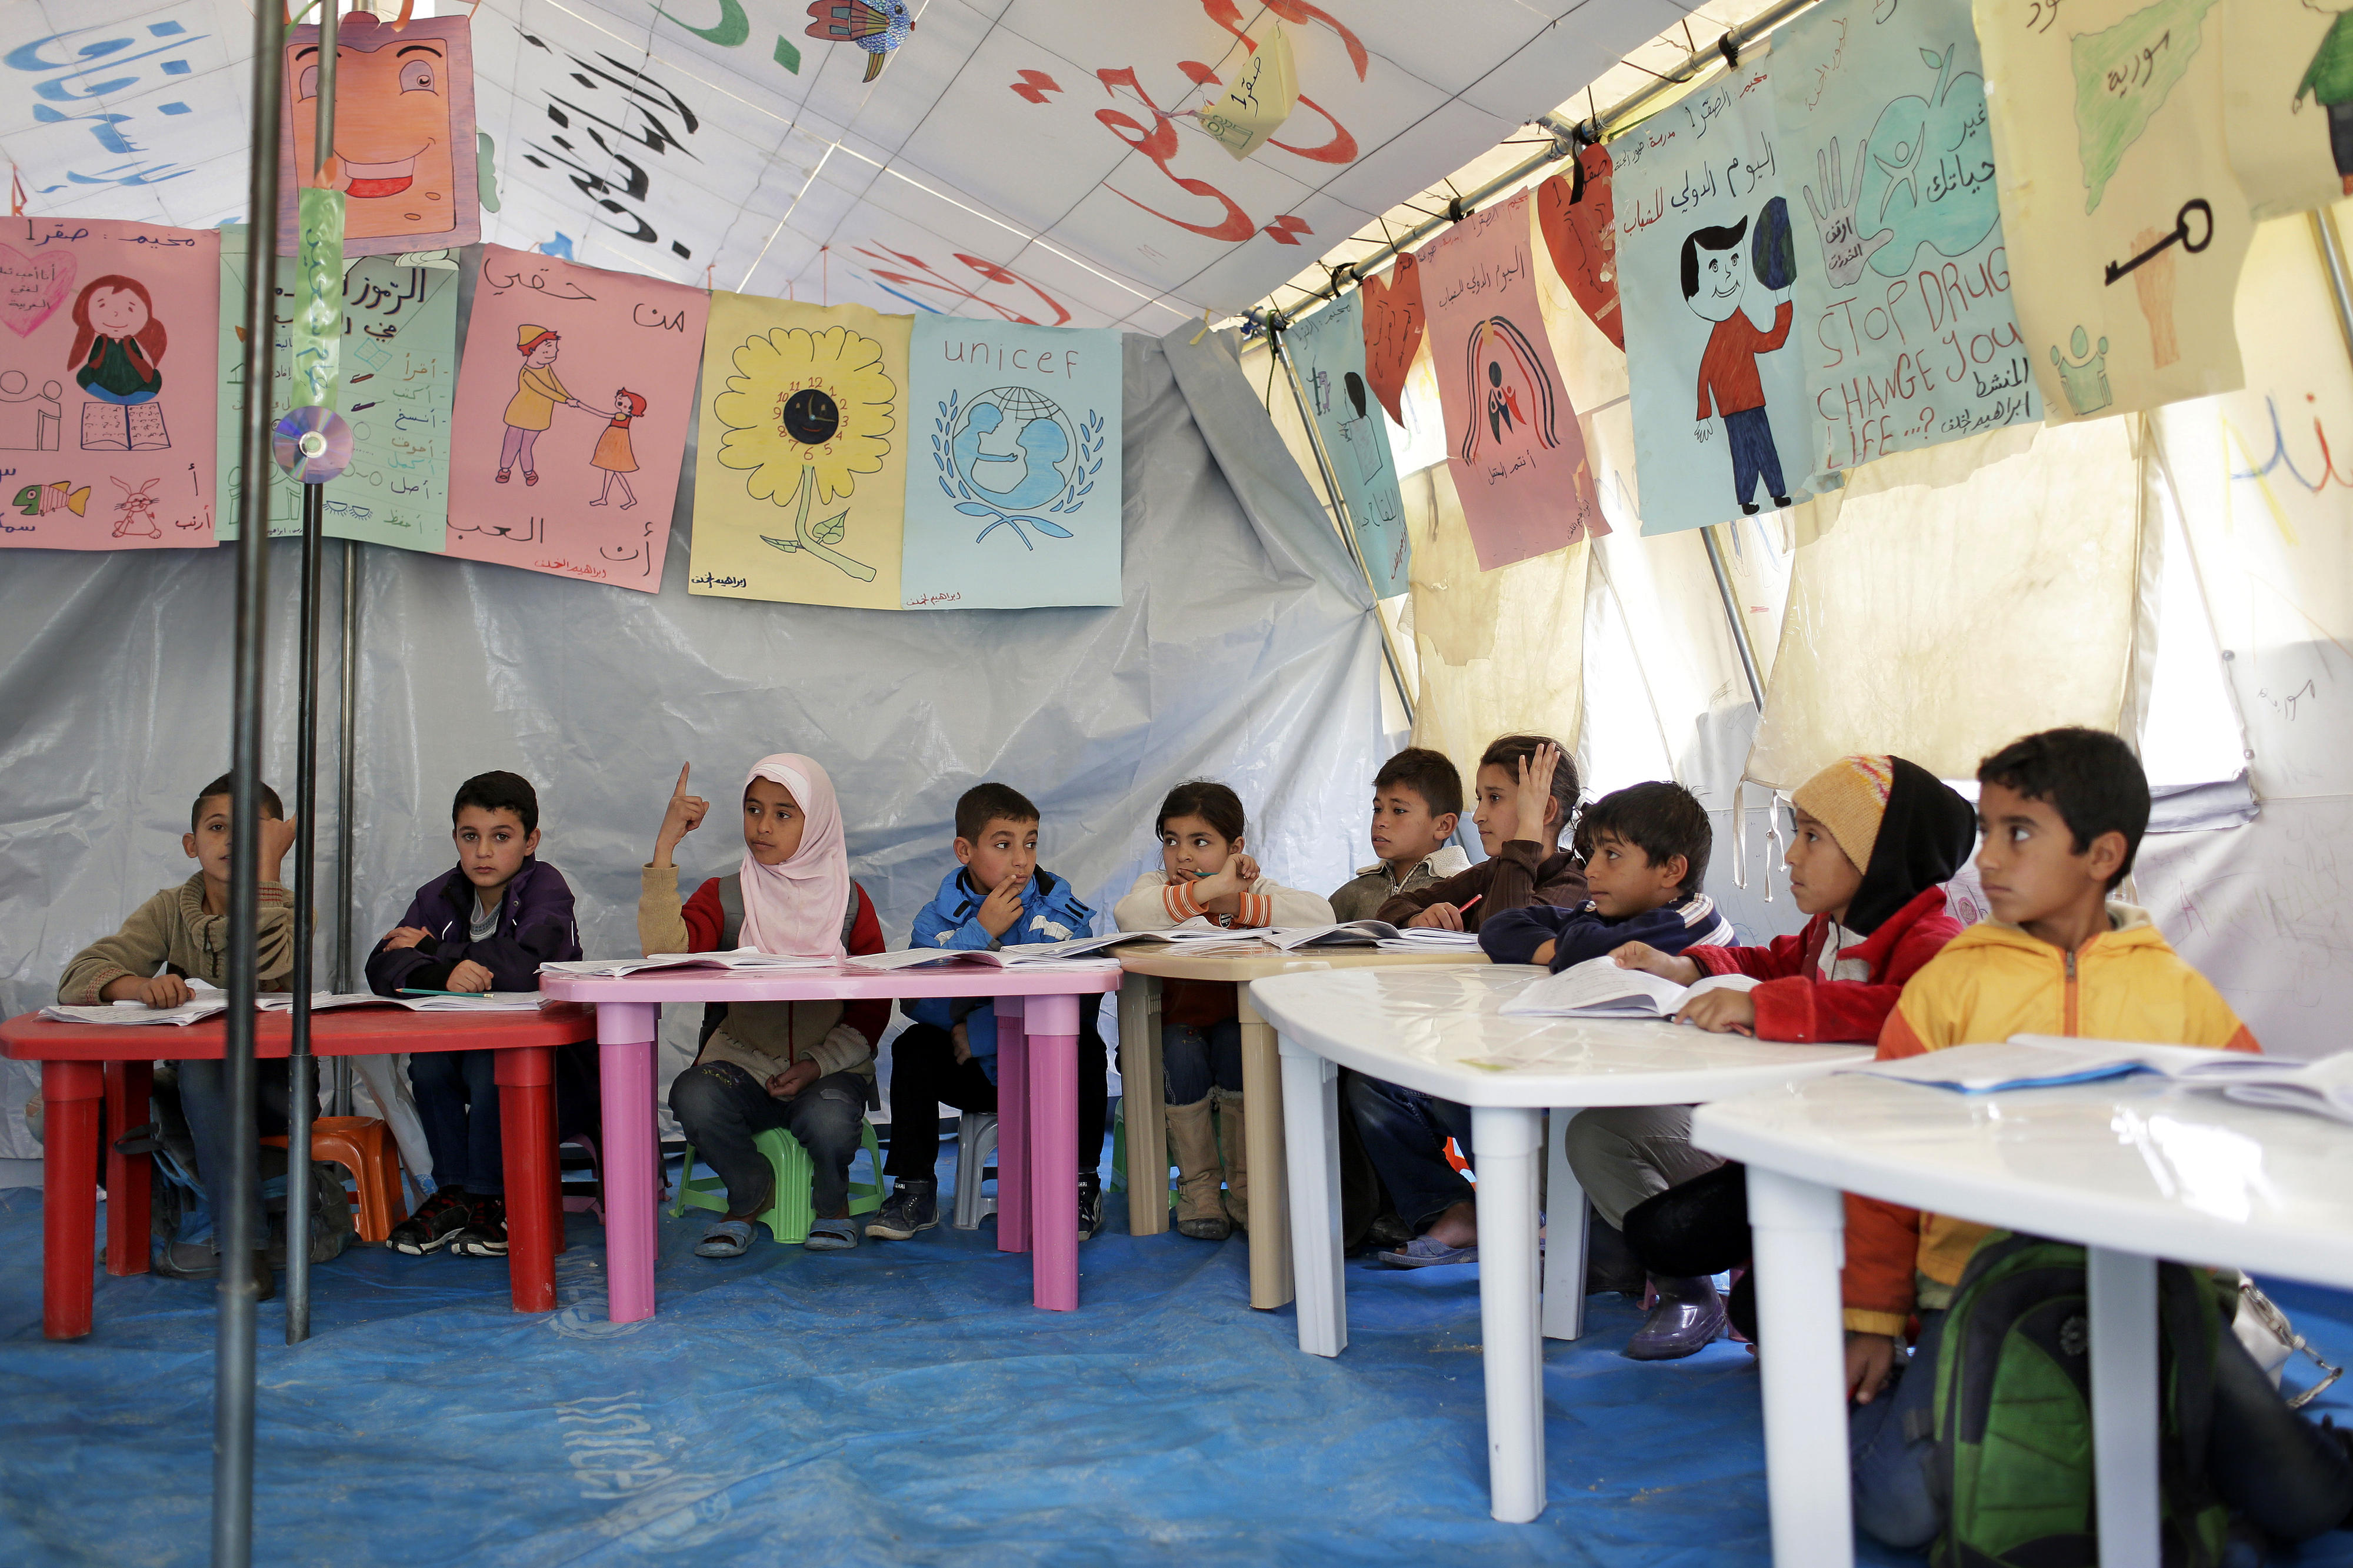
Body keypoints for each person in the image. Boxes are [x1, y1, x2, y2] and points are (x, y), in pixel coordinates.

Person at [1838, 728, 2353, 1552]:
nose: (1989, 859)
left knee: (2310, 1500)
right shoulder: (1951, 986)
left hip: (2158, 1289)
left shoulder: (2177, 992)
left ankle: (2194, 1436)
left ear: (2102, 854)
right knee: (1896, 1513)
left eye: (2019, 832)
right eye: (1986, 828)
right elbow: (1877, 1159)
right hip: (1974, 1285)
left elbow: (2255, 1129)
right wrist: (1870, 1312)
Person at [1591, 755, 1976, 1359]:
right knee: (1660, 1234)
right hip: (1799, 1154)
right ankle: (1760, 1280)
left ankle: (1878, 1333)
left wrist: (1769, 1007)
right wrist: (1684, 965)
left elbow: (1905, 1007)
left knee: (1760, 1307)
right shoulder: (1829, 930)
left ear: (1877, 854)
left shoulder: (1934, 945)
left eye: (1813, 836)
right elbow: (1768, 959)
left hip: (1876, 1189)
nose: (1791, 855)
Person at [1362, 781, 1730, 1270]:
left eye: (1612, 856)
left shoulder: (1692, 918)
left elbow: (1576, 939)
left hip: (1681, 1133)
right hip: (1606, 1099)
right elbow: (1504, 928)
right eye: (1593, 852)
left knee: (1520, 1111)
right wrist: (1573, 944)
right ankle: (1502, 1216)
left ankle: (1657, 1268)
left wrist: (1573, 939)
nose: (1593, 869)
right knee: (1413, 1082)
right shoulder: (1600, 908)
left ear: (1672, 870)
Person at [58, 773, 296, 1300]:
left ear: (279, 838)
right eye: (217, 828)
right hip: (193, 1084)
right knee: (54, 1108)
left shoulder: (289, 908)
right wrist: (140, 985)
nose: (233, 840)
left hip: (274, 1088)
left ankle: (243, 1244)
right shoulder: (169, 909)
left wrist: (268, 871)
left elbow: (264, 963)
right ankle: (158, 1222)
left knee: (209, 1063)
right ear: (192, 845)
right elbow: (81, 973)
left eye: (252, 830)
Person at [641, 757, 887, 1257]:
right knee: (694, 1096)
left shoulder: (849, 902)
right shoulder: (727, 897)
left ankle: (832, 1203)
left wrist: (816, 1064)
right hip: (742, 1066)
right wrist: (665, 846)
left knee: (831, 1121)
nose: (763, 826)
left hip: (826, 1071)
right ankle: (749, 1191)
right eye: (754, 810)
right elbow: (666, 955)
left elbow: (874, 1001)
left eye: (783, 814)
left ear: (816, 823)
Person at [868, 783, 1111, 1243]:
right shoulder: (935, 919)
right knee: (914, 1047)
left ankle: (1082, 1184)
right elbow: (917, 998)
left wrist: (979, 1030)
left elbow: (1071, 997)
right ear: (965, 850)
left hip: (1043, 1072)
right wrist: (979, 932)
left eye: (1031, 842)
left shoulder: (1061, 912)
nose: (1022, 859)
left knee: (1088, 1048)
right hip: (973, 1074)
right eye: (1004, 844)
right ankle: (913, 1190)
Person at [366, 770, 582, 1259]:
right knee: (429, 1060)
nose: (483, 853)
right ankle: (454, 1192)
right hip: (461, 1056)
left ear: (531, 842)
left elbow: (526, 964)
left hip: (552, 1067)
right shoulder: (438, 895)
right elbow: (382, 964)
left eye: (501, 837)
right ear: (456, 839)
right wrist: (445, 976)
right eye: (471, 837)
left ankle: (490, 1195)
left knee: (490, 1061)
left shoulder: (547, 888)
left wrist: (438, 954)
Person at [1114, 781, 1332, 1240]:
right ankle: (1200, 1192)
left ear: (1236, 849)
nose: (1183, 857)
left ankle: (1248, 1192)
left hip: (1236, 1031)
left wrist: (1235, 900)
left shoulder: (1252, 892)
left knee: (1240, 1039)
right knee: (1182, 1045)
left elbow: (1321, 917)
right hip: (1174, 1037)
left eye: (1200, 842)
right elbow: (1130, 915)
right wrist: (1207, 890)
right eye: (1171, 841)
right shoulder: (1156, 888)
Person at [1375, 735, 1588, 932]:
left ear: (1546, 810)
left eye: (1494, 798)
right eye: (1480, 799)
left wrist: (1529, 828)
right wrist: (1417, 919)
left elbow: (1507, 932)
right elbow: (1394, 905)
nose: (1478, 817)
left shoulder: (1577, 884)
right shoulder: (1490, 872)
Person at [1327, 746, 1469, 923]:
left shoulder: (1465, 890)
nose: (1380, 821)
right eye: (1377, 809)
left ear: (1443, 825)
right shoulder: (1351, 895)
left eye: (1399, 811)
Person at [496, 324, 586, 487]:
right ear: (531, 350)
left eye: (554, 349)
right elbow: (545, 390)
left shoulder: (546, 367)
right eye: (547, 350)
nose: (554, 353)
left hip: (539, 416)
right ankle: (505, 469)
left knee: (527, 446)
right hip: (519, 413)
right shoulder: (527, 373)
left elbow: (556, 386)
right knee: (512, 442)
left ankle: (528, 472)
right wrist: (565, 401)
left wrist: (570, 398)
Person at [589, 388, 643, 509]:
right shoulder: (624, 415)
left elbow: (601, 414)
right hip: (614, 441)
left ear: (628, 407)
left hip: (615, 442)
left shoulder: (621, 415)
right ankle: (604, 498)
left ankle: (631, 499)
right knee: (610, 471)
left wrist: (581, 405)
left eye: (620, 401)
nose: (617, 401)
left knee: (615, 471)